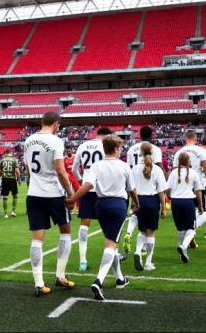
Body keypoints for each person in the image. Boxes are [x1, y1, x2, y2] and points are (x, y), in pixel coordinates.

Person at [68, 135, 138, 300]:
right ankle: (98, 281)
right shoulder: (124, 166)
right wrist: (137, 203)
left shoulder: (95, 166)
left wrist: (73, 198)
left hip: (101, 205)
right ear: (115, 149)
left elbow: (88, 185)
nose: (121, 150)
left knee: (111, 242)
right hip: (118, 205)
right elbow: (132, 189)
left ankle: (120, 279)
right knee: (110, 244)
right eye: (120, 148)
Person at [23, 111, 76, 296]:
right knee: (66, 233)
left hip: (34, 194)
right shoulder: (56, 141)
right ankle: (60, 276)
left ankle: (38, 283)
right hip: (54, 194)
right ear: (56, 124)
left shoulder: (28, 140)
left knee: (37, 240)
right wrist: (71, 194)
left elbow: (28, 168)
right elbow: (61, 171)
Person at [72, 127, 111, 272]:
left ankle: (82, 261)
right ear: (107, 136)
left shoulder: (83, 146)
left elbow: (74, 168)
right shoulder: (106, 146)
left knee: (84, 225)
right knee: (107, 223)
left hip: (86, 189)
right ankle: (113, 253)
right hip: (102, 189)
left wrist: (82, 180)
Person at [122, 126, 164, 258]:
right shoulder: (156, 155)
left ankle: (134, 245)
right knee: (150, 230)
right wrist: (164, 206)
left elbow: (128, 175)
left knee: (140, 225)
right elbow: (160, 187)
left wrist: (129, 197)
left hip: (137, 195)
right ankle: (147, 259)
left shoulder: (131, 151)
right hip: (152, 198)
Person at [172, 131, 206, 249]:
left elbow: (175, 171)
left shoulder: (179, 152)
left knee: (184, 218)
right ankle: (192, 230)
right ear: (196, 138)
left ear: (185, 138)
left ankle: (187, 238)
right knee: (203, 212)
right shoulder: (201, 151)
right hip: (197, 185)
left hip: (181, 188)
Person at [130, 143, 167, 271]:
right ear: (152, 152)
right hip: (152, 201)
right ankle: (148, 262)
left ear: (140, 152)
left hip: (139, 200)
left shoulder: (134, 168)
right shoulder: (157, 169)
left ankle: (138, 251)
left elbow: (131, 188)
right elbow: (161, 191)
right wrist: (164, 208)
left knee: (142, 231)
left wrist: (133, 202)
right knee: (151, 232)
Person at [166, 152, 204, 264]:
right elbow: (198, 191)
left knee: (181, 229)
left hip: (175, 202)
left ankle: (183, 254)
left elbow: (167, 189)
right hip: (188, 202)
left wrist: (169, 196)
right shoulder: (193, 173)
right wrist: (200, 205)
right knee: (192, 229)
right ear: (189, 161)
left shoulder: (173, 173)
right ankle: (184, 246)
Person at [0, 150, 20, 218]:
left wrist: (3, 176)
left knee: (5, 197)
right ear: (10, 153)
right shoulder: (14, 160)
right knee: (15, 195)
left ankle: (5, 213)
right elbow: (17, 171)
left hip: (4, 179)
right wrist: (19, 179)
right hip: (12, 179)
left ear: (5, 153)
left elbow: (0, 171)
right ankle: (13, 212)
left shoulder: (2, 160)